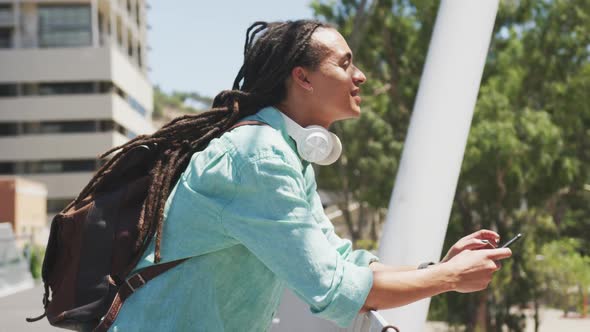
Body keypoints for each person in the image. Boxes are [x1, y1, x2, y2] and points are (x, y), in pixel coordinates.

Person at [105, 20, 511, 331]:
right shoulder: (257, 159)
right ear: (302, 78)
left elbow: (340, 262)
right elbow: (333, 290)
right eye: (344, 63)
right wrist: (449, 278)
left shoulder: (283, 153)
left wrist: (436, 266)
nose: (361, 76)